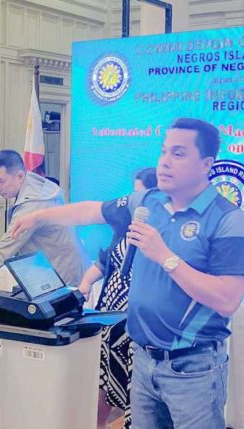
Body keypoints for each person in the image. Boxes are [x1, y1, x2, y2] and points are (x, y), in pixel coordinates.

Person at [11, 118, 244, 428]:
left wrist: (165, 256)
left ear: (206, 163)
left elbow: (227, 299)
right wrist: (39, 216)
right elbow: (91, 211)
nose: (165, 162)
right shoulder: (148, 201)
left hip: (192, 368)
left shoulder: (228, 220)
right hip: (142, 359)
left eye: (178, 154)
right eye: (164, 151)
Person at [79, 167, 156, 429]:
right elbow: (104, 262)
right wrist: (86, 282)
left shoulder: (161, 239)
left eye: (140, 195)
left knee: (135, 393)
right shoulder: (125, 230)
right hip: (109, 323)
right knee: (102, 383)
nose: (134, 203)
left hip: (137, 328)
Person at [0, 149, 88, 290]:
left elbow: (3, 252)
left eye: (1, 181)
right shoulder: (32, 183)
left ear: (20, 176)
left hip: (63, 275)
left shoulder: (33, 204)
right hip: (59, 269)